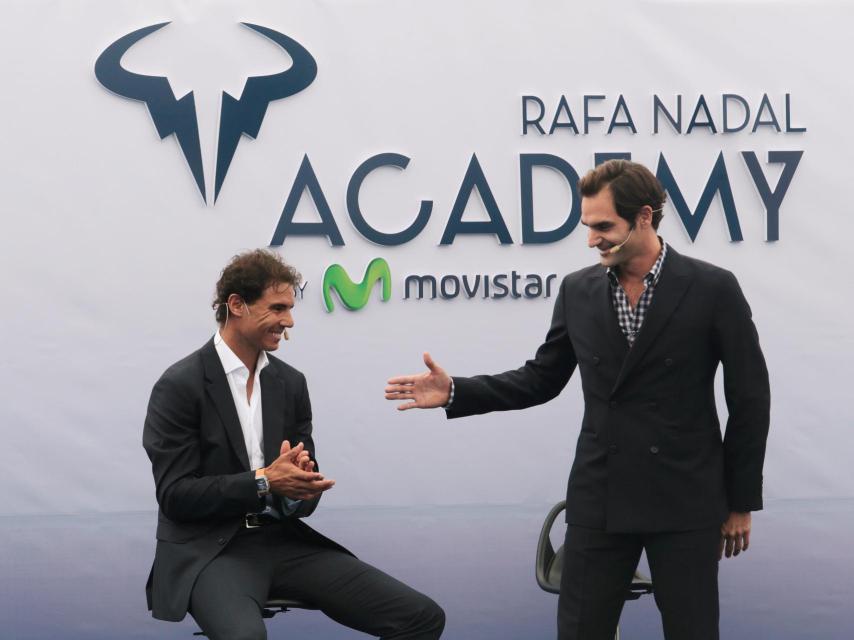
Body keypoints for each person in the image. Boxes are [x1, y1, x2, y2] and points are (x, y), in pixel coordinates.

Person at [385, 160, 769, 640]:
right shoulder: (577, 290)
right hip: (600, 496)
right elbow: (541, 379)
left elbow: (750, 398)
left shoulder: (712, 287)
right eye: (588, 227)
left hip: (686, 497)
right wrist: (456, 391)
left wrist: (740, 501)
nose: (592, 240)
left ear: (644, 217)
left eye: (604, 227)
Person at [143, 249, 444, 640]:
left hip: (281, 541)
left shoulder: (290, 383)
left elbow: (301, 494)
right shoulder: (180, 385)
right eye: (278, 307)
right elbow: (176, 495)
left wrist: (300, 488)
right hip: (211, 551)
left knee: (421, 618)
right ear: (237, 305)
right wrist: (265, 481)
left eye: (290, 308)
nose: (289, 320)